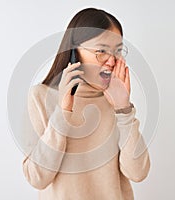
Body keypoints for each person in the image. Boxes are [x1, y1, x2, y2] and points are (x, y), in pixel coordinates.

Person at [22, 7, 150, 200]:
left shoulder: (116, 102)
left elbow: (138, 173)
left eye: (117, 51)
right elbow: (37, 178)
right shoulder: (40, 97)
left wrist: (123, 109)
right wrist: (63, 112)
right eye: (101, 51)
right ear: (74, 52)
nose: (111, 60)